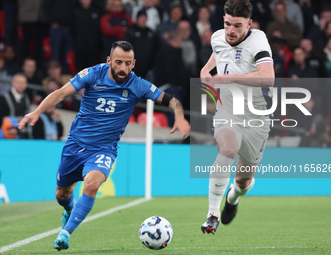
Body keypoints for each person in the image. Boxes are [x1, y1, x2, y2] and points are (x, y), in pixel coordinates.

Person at [18, 41, 190, 250]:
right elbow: (62, 93)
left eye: (127, 63)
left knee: (92, 185)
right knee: (61, 195)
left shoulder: (138, 85)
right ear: (109, 60)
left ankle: (65, 233)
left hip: (104, 149)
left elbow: (173, 101)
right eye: (118, 62)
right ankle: (69, 210)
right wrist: (37, 112)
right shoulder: (93, 74)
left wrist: (179, 117)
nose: (123, 68)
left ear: (133, 63)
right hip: (75, 145)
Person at [200, 0, 274, 234]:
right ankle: (212, 215)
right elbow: (216, 59)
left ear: (249, 24)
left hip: (257, 118)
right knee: (228, 150)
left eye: (237, 26)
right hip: (228, 111)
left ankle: (233, 197)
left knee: (243, 181)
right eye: (227, 24)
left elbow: (268, 77)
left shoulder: (259, 40)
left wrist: (228, 78)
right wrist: (205, 73)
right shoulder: (218, 37)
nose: (230, 31)